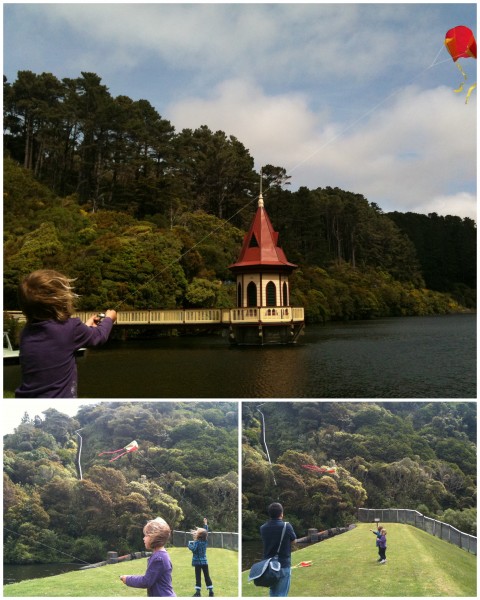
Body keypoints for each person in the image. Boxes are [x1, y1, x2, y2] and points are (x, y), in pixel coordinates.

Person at [15, 269, 117, 397]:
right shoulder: (71, 328)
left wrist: (85, 327)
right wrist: (109, 319)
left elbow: (60, 342)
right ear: (61, 302)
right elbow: (99, 336)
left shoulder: (26, 332)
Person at [120, 517, 176, 597]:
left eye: (146, 535)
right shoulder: (160, 555)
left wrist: (128, 579)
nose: (143, 538)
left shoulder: (159, 558)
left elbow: (146, 581)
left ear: (155, 537)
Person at [260, 502, 297, 597]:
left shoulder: (263, 528)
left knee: (273, 593)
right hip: (283, 564)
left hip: (268, 567)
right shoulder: (286, 526)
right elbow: (294, 541)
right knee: (281, 594)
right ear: (281, 513)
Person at [188, 517, 214, 597]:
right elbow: (206, 532)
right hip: (205, 562)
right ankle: (211, 592)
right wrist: (205, 524)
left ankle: (198, 593)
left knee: (198, 577)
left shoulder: (196, 543)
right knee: (207, 577)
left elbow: (194, 550)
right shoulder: (205, 541)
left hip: (197, 563)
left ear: (198, 534)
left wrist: (189, 546)